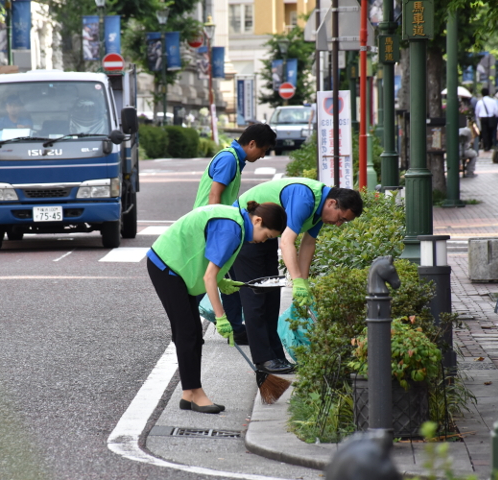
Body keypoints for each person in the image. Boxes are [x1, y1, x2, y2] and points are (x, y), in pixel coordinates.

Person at [147, 201, 287, 414]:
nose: (263, 241)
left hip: (179, 267)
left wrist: (223, 282)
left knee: (192, 333)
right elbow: (209, 276)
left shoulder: (238, 224)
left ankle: (188, 394)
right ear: (257, 221)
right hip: (167, 266)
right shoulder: (232, 229)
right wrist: (222, 318)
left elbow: (212, 261)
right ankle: (196, 393)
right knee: (188, 333)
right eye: (267, 236)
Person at [233, 178, 364, 374]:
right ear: (332, 203)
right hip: (245, 230)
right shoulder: (306, 199)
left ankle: (276, 356)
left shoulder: (320, 210)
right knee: (256, 298)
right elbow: (287, 242)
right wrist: (297, 280)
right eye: (341, 218)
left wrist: (303, 282)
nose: (338, 224)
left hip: (266, 232)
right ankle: (263, 359)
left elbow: (308, 243)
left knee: (271, 295)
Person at [193, 123, 277, 345]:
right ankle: (189, 325)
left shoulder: (235, 159)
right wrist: (217, 232)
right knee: (209, 276)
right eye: (263, 150)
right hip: (210, 225)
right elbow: (214, 196)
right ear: (251, 144)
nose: (262, 155)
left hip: (214, 224)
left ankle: (233, 329)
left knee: (224, 276)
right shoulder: (229, 159)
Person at [474, 87, 498, 151]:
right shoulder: (493, 101)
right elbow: (496, 111)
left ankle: (486, 146)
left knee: (484, 132)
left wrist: (478, 118)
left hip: (483, 118)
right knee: (491, 132)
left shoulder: (480, 102)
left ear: (482, 94)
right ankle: (490, 144)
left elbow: (477, 112)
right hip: (491, 118)